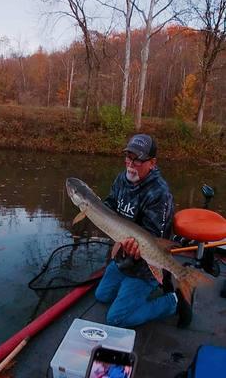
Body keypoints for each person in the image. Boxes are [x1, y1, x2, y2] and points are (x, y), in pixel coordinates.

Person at [95, 134, 192, 328]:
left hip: (145, 267)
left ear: (152, 163)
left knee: (116, 318)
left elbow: (154, 238)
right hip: (123, 259)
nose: (131, 164)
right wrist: (99, 211)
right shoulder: (122, 178)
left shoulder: (159, 193)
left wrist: (134, 249)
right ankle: (128, 290)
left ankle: (172, 302)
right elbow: (111, 203)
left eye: (138, 159)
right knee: (101, 296)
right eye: (129, 157)